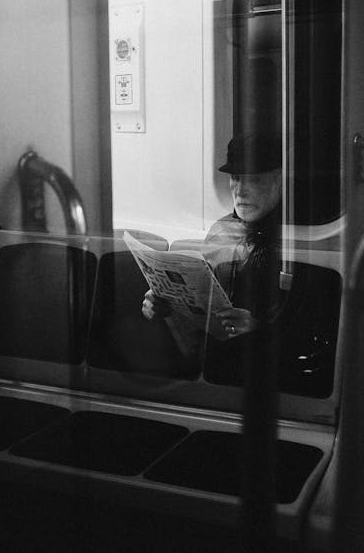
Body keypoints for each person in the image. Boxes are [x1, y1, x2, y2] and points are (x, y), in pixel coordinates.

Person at [142, 132, 341, 395]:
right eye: (236, 179)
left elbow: (317, 335)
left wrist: (258, 329)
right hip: (214, 364)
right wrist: (164, 306)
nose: (241, 191)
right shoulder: (221, 230)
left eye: (255, 180)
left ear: (280, 180)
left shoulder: (303, 239)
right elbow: (201, 308)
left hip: (270, 375)